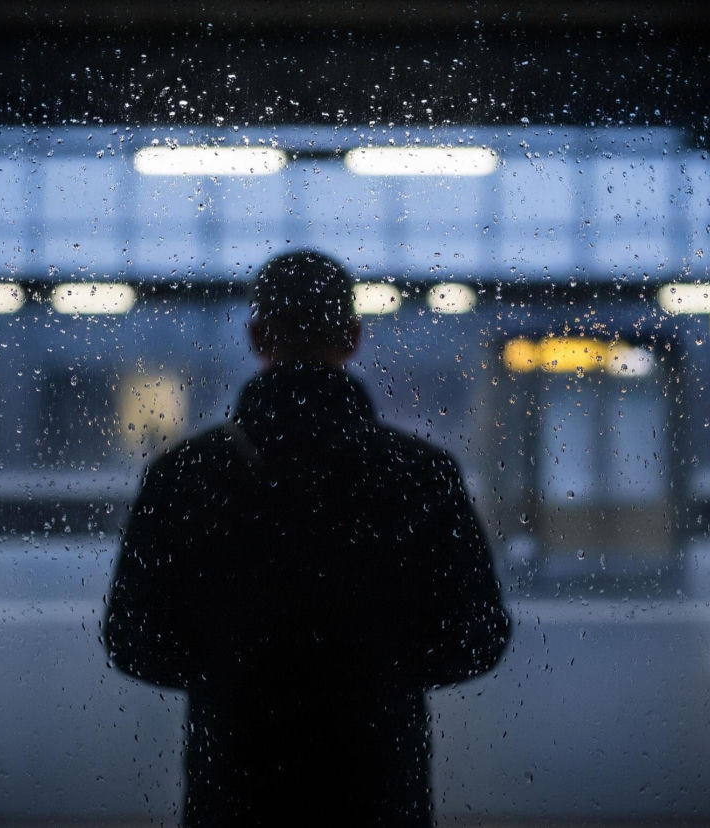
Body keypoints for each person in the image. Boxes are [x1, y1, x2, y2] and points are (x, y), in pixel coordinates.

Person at [104, 250, 510, 826]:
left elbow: (133, 637)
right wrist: (379, 669)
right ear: (352, 337)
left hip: (235, 777)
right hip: (378, 778)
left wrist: (233, 667)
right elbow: (478, 636)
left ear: (256, 336)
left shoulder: (187, 474)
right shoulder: (420, 475)